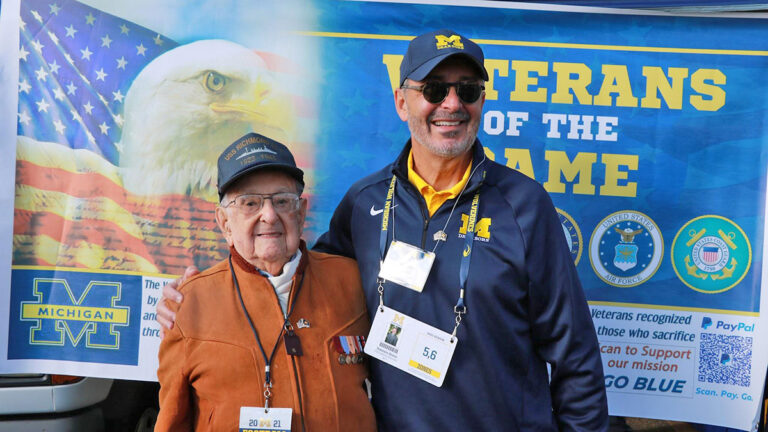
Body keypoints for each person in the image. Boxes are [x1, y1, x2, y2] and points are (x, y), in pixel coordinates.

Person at [158, 30, 609, 431]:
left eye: (467, 90)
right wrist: (195, 301)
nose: (451, 104)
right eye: (434, 89)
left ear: (481, 101)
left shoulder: (524, 204)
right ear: (402, 102)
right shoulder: (366, 200)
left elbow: (576, 356)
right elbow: (298, 282)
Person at [154, 132, 376, 431]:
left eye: (282, 201)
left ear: (302, 212)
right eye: (249, 203)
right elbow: (172, 420)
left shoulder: (355, 283)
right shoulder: (188, 304)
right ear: (224, 223)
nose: (269, 215)